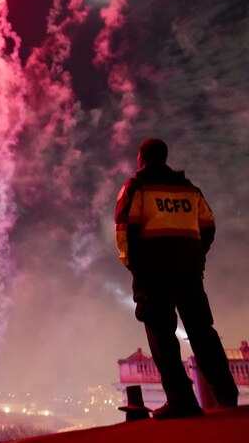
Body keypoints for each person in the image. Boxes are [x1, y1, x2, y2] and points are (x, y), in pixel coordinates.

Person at [114, 138, 238, 420]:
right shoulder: (189, 189)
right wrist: (195, 255)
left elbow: (123, 231)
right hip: (189, 272)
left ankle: (182, 400)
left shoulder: (135, 187)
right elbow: (208, 225)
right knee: (202, 331)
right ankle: (226, 395)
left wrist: (134, 267)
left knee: (162, 335)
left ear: (141, 158)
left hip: (153, 273)